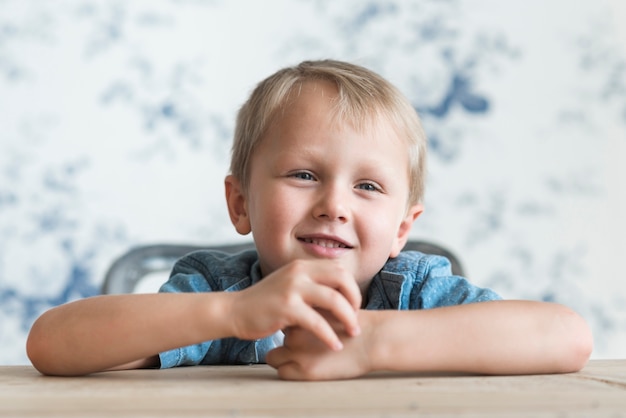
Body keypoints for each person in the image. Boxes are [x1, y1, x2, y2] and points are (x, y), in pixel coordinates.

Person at [27, 59, 593, 380]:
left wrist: (371, 344)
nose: (334, 205)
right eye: (303, 175)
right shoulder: (219, 290)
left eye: (368, 186)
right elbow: (50, 345)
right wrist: (230, 312)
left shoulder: (413, 290)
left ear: (402, 228)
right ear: (240, 203)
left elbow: (566, 337)